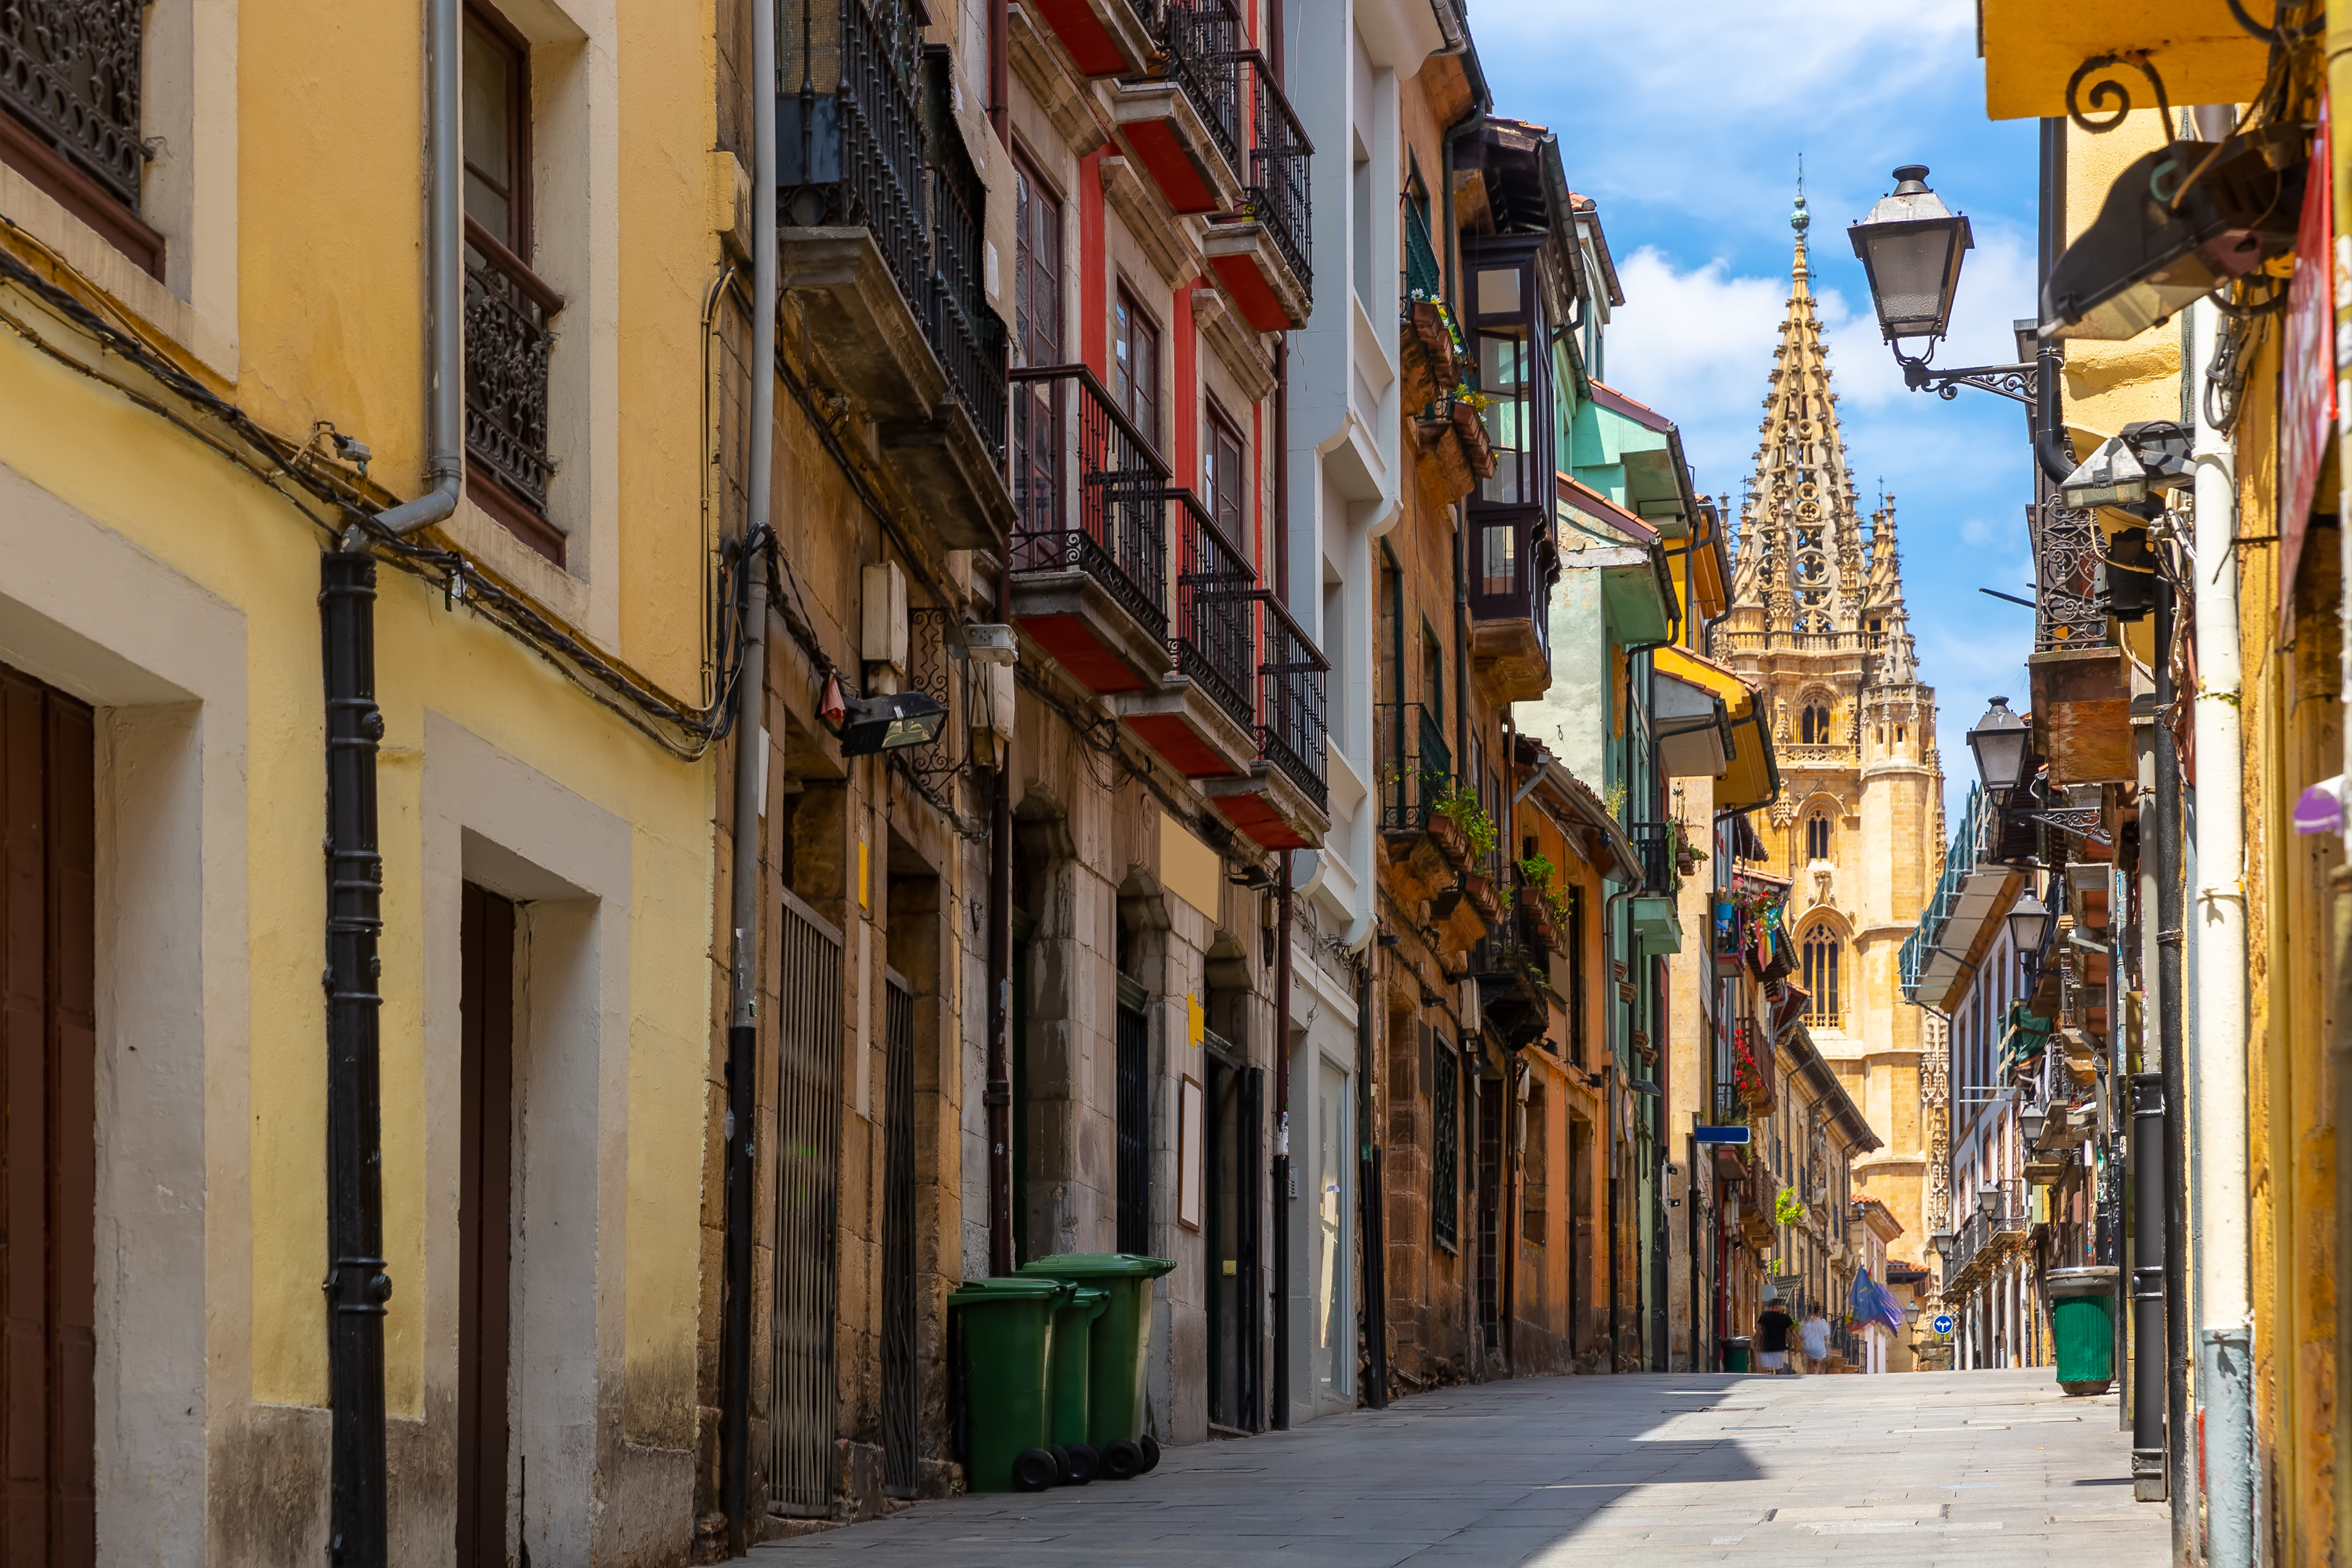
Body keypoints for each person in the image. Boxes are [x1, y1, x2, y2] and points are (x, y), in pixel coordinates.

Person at [1756, 1290, 1794, 1375]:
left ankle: (1767, 1384)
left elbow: (1760, 1332)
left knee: (1766, 1371)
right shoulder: (1786, 1318)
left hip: (1765, 1347)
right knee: (1779, 1370)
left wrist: (1756, 1343)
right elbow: (1789, 1333)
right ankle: (1778, 1385)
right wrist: (1791, 1346)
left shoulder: (1765, 1316)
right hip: (1779, 1348)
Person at [1801, 1306, 1831, 1374]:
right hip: (1820, 1348)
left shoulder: (1805, 1321)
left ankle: (1813, 1375)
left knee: (1811, 1366)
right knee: (1818, 1367)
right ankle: (1816, 1373)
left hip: (1809, 1347)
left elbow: (1801, 1335)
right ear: (1818, 1311)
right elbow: (1826, 1337)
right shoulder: (1823, 1321)